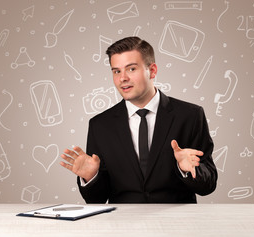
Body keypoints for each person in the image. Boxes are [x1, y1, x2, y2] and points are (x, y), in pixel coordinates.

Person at [60, 36, 217, 203]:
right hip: (122, 224)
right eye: (116, 71)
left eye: (131, 69)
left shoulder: (190, 115)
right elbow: (96, 199)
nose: (123, 78)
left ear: (153, 70)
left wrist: (187, 170)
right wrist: (91, 177)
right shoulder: (100, 125)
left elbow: (208, 185)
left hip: (176, 224)